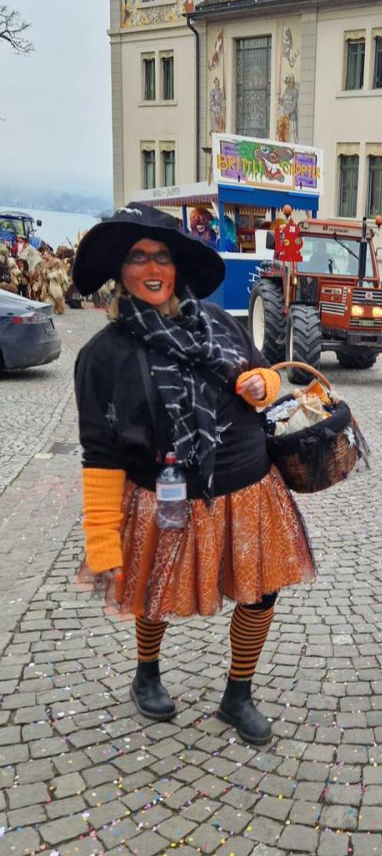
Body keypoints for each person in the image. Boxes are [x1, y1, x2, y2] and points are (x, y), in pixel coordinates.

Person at [72, 204, 316, 746]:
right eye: (138, 257)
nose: (152, 267)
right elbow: (100, 453)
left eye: (161, 256)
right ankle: (147, 673)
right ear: (122, 271)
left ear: (177, 267)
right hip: (164, 495)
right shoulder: (102, 354)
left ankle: (238, 693)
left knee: (261, 594)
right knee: (152, 593)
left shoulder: (221, 325)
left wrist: (263, 386)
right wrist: (102, 542)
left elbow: (266, 376)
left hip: (250, 488)